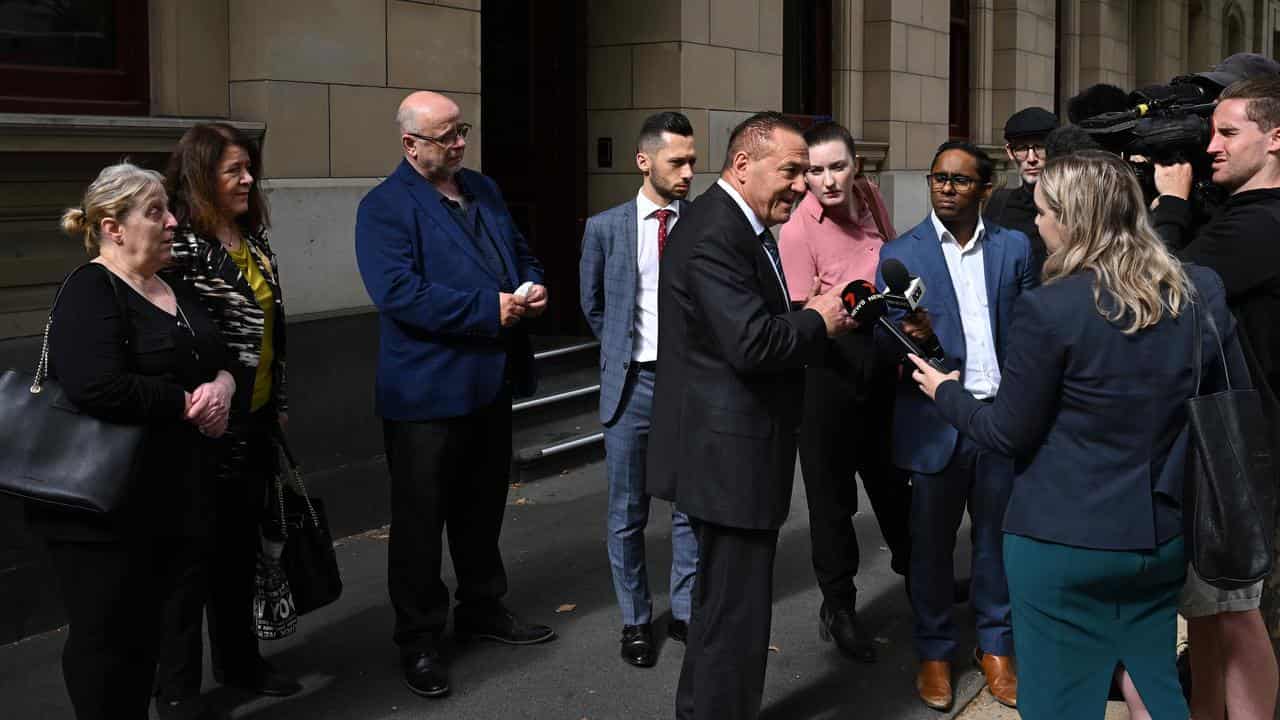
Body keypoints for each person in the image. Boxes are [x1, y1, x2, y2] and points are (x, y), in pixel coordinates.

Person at [908, 150, 1248, 720]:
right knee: (1155, 685)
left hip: (1060, 541)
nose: (1036, 223)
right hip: (1158, 536)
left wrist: (945, 391)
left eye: (1042, 212)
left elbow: (1006, 432)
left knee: (1059, 701)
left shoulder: (1050, 309)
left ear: (1072, 219)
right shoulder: (1191, 294)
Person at [646, 111, 856, 720]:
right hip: (727, 456)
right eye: (791, 171)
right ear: (743, 164)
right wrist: (819, 317)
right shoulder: (716, 231)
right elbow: (753, 343)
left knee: (724, 610)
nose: (804, 185)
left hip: (737, 449)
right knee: (733, 615)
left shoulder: (736, 224)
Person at [354, 90, 556, 699]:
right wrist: (486, 309)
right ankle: (419, 640)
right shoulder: (384, 207)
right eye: (445, 137)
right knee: (420, 524)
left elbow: (520, 253)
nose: (459, 144)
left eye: (462, 130)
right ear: (410, 144)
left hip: (489, 383)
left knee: (481, 508)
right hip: (425, 392)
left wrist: (534, 285)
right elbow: (398, 294)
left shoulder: (484, 190)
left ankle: (482, 608)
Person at [28, 163, 232, 719]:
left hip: (174, 494)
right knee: (109, 645)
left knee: (157, 634)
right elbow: (94, 383)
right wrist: (186, 404)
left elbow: (220, 356)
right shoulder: (91, 288)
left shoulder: (174, 286)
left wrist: (223, 385)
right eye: (155, 212)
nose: (172, 222)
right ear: (113, 227)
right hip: (104, 508)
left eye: (168, 209)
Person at [878, 140, 1035, 711]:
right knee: (931, 549)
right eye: (938, 177)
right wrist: (909, 337)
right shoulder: (902, 253)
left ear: (984, 189)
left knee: (997, 543)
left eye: (960, 180)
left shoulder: (1016, 248)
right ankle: (935, 652)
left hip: (999, 419)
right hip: (935, 423)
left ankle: (995, 648)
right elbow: (879, 340)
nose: (946, 187)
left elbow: (1030, 330)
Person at [154, 122, 302, 713]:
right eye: (233, 170)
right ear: (199, 176)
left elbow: (274, 329)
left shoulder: (252, 237)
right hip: (200, 426)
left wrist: (277, 404)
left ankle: (241, 661)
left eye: (249, 170)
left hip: (256, 419)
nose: (247, 180)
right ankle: (178, 692)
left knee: (240, 553)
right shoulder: (178, 245)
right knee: (190, 568)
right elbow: (163, 337)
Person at [1151, 75, 1280, 720]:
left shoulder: (1261, 225)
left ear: (1276, 138)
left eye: (1228, 132)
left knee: (1242, 617)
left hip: (1248, 461)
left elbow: (1163, 293)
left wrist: (1169, 205)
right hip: (1240, 453)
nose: (1211, 147)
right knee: (1214, 614)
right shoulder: (1240, 216)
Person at [777, 121, 910, 663]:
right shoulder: (797, 228)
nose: (827, 180)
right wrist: (829, 306)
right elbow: (797, 317)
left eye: (837, 167)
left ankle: (921, 580)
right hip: (826, 373)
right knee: (833, 503)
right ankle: (840, 607)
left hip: (881, 361)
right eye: (814, 170)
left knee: (893, 482)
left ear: (857, 167)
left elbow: (894, 259)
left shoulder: (871, 200)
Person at [579, 111, 700, 668]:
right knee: (627, 512)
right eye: (677, 161)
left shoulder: (702, 223)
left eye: (693, 161)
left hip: (688, 384)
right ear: (643, 161)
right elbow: (594, 304)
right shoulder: (605, 228)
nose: (688, 172)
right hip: (631, 385)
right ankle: (634, 620)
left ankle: (686, 612)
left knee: (687, 505)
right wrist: (621, 352)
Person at [983, 106, 1058, 273]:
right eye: (1022, 149)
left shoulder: (1072, 205)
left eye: (1040, 147)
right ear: (1010, 152)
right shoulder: (999, 203)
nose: (1031, 159)